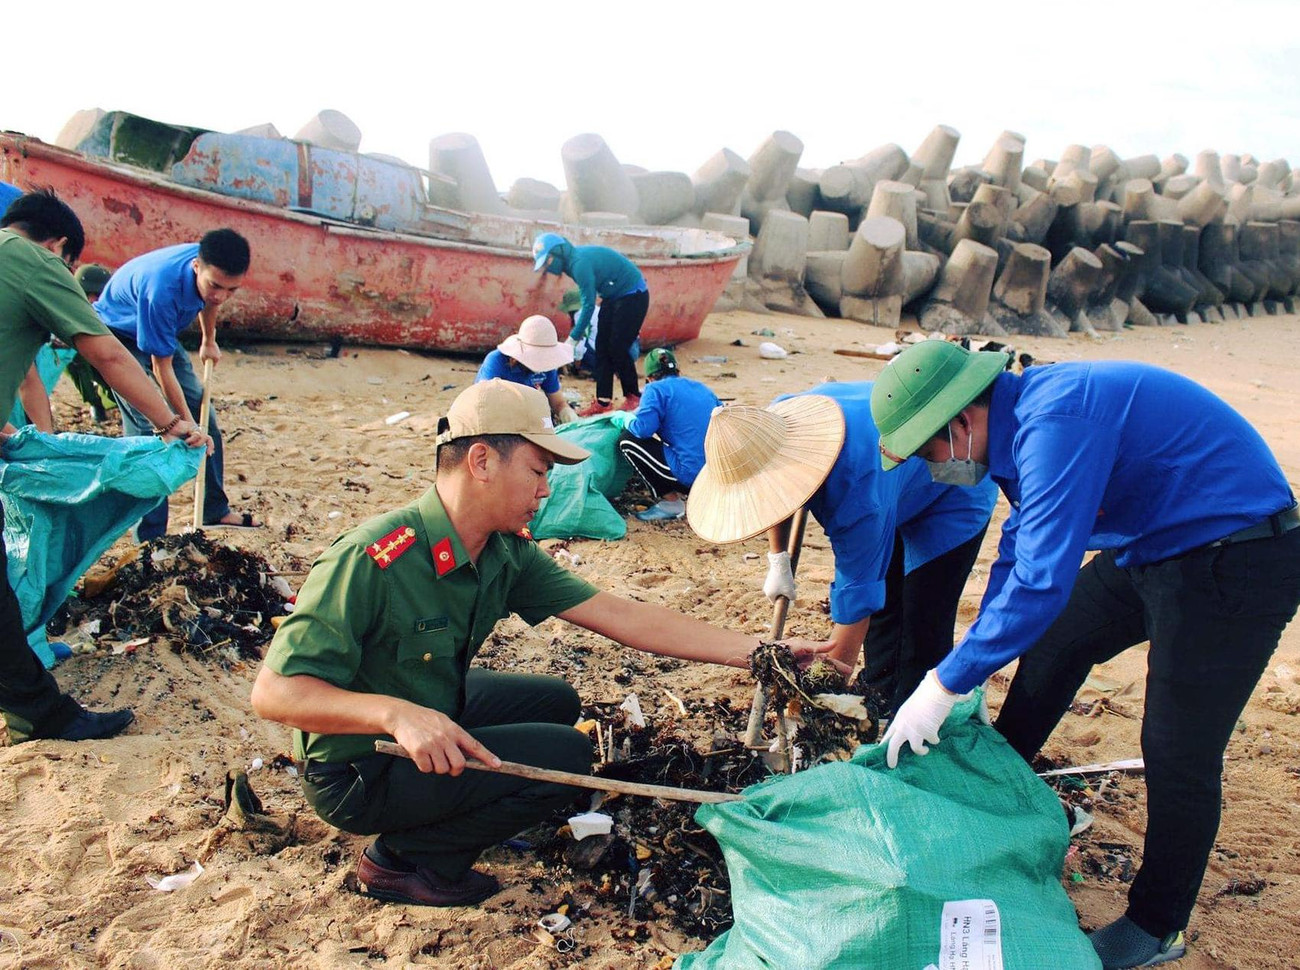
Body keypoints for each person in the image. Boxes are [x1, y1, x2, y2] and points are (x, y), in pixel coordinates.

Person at [250, 380, 829, 907]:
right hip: (358, 768)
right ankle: (403, 861)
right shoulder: (374, 557)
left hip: (429, 705)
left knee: (556, 702)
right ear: (481, 460)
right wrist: (396, 715)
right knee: (565, 757)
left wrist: (758, 651)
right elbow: (275, 694)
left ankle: (458, 802)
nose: (546, 490)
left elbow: (619, 614)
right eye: (537, 470)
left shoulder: (503, 551)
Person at [869, 341, 1300, 969]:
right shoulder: (1014, 428)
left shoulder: (1057, 422)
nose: (932, 468)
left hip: (1237, 554)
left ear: (960, 421)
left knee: (1177, 747)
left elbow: (1043, 581)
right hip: (1154, 546)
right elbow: (1019, 547)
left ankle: (1154, 926)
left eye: (928, 452)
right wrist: (972, 668)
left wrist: (941, 684)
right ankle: (1001, 787)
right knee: (1055, 641)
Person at [0, 189, 210, 743]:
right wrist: (170, 424)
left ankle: (30, 698)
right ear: (60, 248)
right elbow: (108, 352)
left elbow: (22, 372)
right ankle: (38, 712)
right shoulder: (33, 261)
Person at [686, 381, 998, 714]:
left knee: (921, 621)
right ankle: (879, 693)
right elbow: (775, 496)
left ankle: (916, 713)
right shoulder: (778, 418)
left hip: (953, 485)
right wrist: (779, 560)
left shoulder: (856, 496)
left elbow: (857, 599)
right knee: (886, 609)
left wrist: (823, 699)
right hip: (891, 484)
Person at [94, 229, 259, 537]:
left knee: (205, 414)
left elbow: (211, 301)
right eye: (215, 285)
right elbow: (162, 367)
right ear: (196, 266)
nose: (221, 296)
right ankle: (150, 535)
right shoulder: (162, 288)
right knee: (150, 428)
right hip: (118, 336)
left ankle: (214, 509)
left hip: (160, 333)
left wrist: (209, 340)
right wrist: (185, 424)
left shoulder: (212, 271)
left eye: (231, 290)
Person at [532, 233, 648, 416]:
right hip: (612, 296)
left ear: (559, 253)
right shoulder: (572, 263)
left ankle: (633, 396)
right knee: (602, 347)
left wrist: (573, 338)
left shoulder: (579, 264)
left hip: (633, 294)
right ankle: (603, 402)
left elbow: (588, 305)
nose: (548, 267)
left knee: (617, 346)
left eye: (548, 261)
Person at [615, 348, 720, 522]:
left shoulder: (654, 389)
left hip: (691, 474)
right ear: (677, 371)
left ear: (650, 377)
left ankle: (670, 503)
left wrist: (625, 420)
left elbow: (643, 430)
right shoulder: (702, 388)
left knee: (628, 440)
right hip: (719, 473)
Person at [475, 314, 577, 424]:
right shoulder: (497, 360)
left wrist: (567, 413)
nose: (541, 361)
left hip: (526, 411)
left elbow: (557, 402)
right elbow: (484, 399)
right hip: (496, 413)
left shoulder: (548, 366)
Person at [66, 265, 118, 423]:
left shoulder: (114, 311)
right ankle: (94, 402)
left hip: (107, 357)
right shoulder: (68, 308)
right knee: (74, 360)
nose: (92, 300)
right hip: (82, 358)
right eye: (88, 294)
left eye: (97, 295)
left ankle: (113, 401)